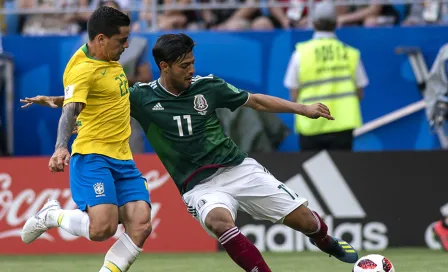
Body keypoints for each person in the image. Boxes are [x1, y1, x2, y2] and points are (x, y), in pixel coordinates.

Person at [21, 33, 359, 272]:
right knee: (218, 221)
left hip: (238, 167)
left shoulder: (207, 86)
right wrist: (52, 100)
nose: (191, 69)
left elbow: (254, 100)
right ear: (164, 67)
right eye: (184, 65)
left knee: (305, 222)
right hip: (198, 186)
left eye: (192, 62)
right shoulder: (140, 97)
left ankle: (328, 242)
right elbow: (90, 100)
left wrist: (303, 108)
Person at [20, 7, 152, 272]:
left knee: (140, 224)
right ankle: (52, 215)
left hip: (123, 157)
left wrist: (57, 99)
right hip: (94, 156)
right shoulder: (83, 69)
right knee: (103, 228)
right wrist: (60, 147)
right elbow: (72, 110)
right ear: (101, 39)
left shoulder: (105, 59)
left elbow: (88, 99)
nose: (127, 45)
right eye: (121, 40)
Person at [283, 1, 368, 151]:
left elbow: (293, 94)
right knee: (342, 171)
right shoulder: (350, 53)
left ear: (314, 23)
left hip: (310, 124)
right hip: (343, 123)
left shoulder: (301, 54)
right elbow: (359, 92)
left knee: (312, 171)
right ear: (336, 23)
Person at [78, 0, 152, 154]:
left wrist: (120, 79)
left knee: (131, 156)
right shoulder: (85, 45)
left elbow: (146, 78)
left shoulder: (136, 44)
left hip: (127, 109)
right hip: (97, 112)